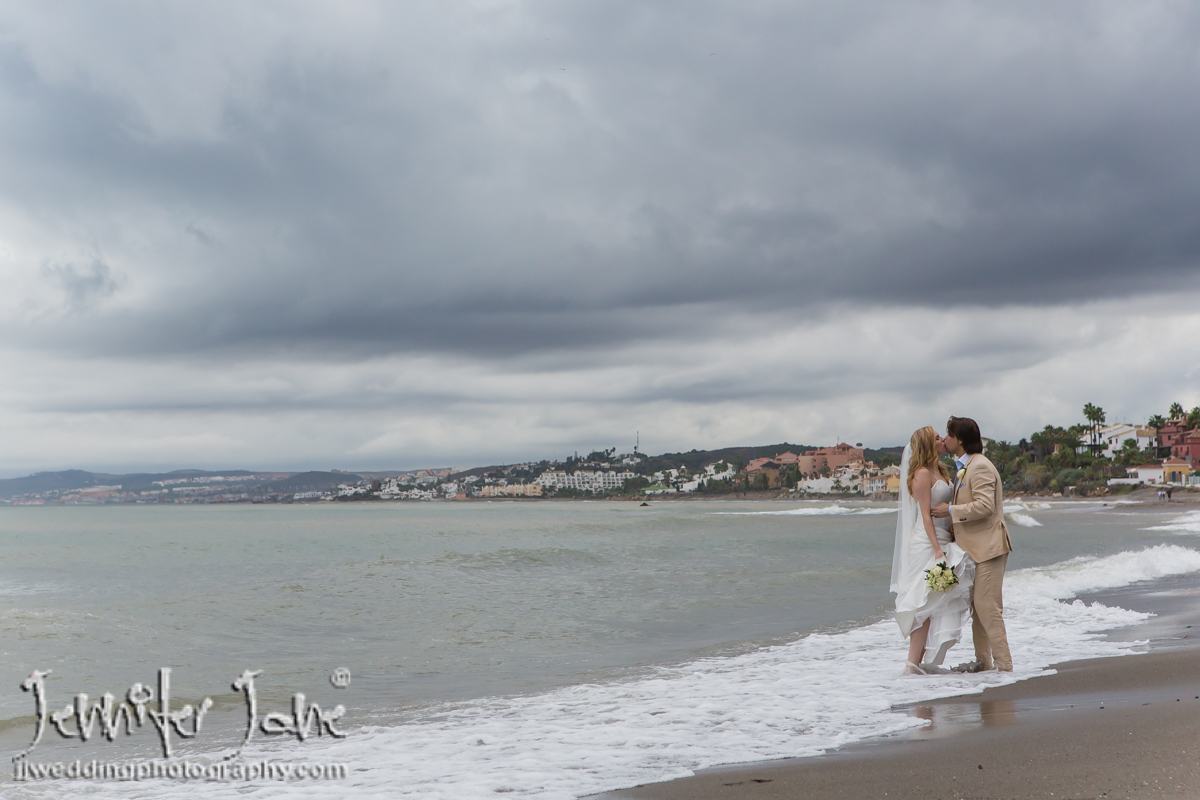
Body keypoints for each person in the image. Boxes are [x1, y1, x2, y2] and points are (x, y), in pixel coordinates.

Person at [932, 416, 1013, 672]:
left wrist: (951, 511)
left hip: (990, 547)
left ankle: (1004, 665)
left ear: (961, 440)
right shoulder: (964, 466)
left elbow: (985, 506)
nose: (945, 439)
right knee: (978, 608)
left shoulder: (980, 467)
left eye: (949, 435)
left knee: (987, 607)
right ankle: (984, 662)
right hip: (975, 548)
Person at [892, 426, 975, 675]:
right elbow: (927, 516)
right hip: (926, 542)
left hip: (943, 538)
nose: (942, 440)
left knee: (934, 602)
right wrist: (938, 549)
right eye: (937, 438)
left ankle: (918, 663)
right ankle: (911, 664)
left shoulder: (940, 470)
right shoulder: (921, 474)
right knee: (922, 603)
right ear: (928, 444)